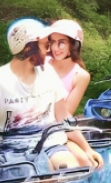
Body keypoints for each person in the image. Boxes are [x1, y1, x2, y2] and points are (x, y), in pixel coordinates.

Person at [0, 19, 82, 183]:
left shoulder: (48, 73)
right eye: (45, 46)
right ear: (29, 48)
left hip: (49, 146)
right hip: (5, 151)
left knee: (72, 174)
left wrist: (87, 148)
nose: (48, 51)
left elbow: (63, 115)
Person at [41, 19, 103, 168]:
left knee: (84, 161)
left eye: (62, 42)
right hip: (31, 124)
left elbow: (64, 113)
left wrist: (86, 148)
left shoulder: (80, 75)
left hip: (57, 128)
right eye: (52, 42)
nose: (56, 48)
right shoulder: (42, 64)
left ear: (73, 45)